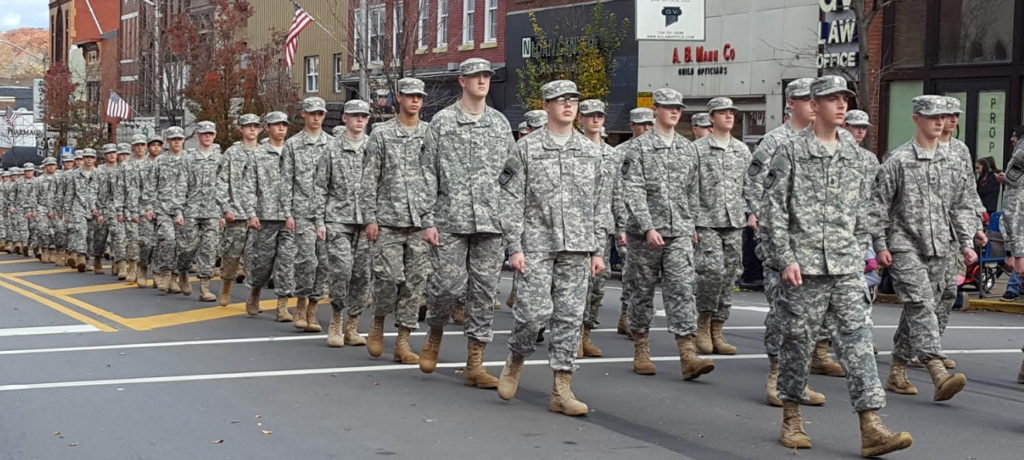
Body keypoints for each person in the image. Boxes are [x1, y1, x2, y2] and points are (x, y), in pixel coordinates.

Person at [765, 75, 911, 457]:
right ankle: (792, 416)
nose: (841, 105)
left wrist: (862, 249)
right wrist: (784, 258)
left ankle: (871, 426)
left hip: (846, 267)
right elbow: (773, 211)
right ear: (813, 107)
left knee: (860, 344)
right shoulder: (790, 153)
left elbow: (870, 212)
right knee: (798, 344)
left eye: (844, 98)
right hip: (804, 267)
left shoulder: (862, 160)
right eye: (832, 99)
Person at [495, 80, 610, 415]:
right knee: (532, 314)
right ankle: (516, 357)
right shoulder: (526, 149)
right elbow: (510, 199)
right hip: (536, 245)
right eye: (560, 100)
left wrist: (598, 250)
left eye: (573, 99)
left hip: (577, 245)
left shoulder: (591, 152)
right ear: (546, 105)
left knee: (570, 318)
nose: (568, 105)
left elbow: (601, 204)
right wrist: (514, 246)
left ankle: (562, 388)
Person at [418, 58, 515, 390]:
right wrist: (427, 220)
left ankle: (475, 361)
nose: (483, 81)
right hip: (450, 219)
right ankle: (434, 332)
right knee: (446, 286)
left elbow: (511, 175)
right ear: (462, 81)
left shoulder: (500, 124)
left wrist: (508, 214)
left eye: (487, 76)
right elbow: (426, 173)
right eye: (476, 76)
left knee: (485, 292)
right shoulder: (443, 123)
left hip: (491, 221)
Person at [873, 95, 976, 402]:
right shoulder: (898, 161)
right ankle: (936, 368)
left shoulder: (952, 161)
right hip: (905, 244)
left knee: (939, 300)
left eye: (944, 117)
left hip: (943, 245)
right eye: (933, 117)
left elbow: (961, 205)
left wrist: (967, 242)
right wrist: (880, 244)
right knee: (920, 302)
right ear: (916, 118)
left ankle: (898, 367)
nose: (940, 123)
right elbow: (877, 207)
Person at [745, 78, 832, 407]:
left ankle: (798, 380)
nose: (812, 104)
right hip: (780, 242)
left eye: (815, 99)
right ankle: (775, 376)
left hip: (816, 244)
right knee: (784, 313)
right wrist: (759, 216)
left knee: (811, 317)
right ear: (790, 104)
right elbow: (754, 182)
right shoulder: (774, 141)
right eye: (804, 99)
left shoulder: (824, 141)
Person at [620, 87, 715, 380]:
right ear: (656, 110)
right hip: (644, 235)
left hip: (679, 233)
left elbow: (694, 191)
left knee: (682, 290)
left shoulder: (688, 149)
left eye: (678, 107)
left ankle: (687, 354)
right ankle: (641, 348)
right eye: (669, 107)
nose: (675, 111)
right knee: (642, 291)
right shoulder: (638, 148)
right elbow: (632, 190)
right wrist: (647, 226)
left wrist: (693, 227)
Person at [359, 78, 433, 362]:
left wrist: (432, 220)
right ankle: (378, 321)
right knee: (388, 278)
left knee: (415, 283)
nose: (415, 101)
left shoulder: (430, 134)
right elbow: (369, 178)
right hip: (388, 219)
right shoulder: (381, 134)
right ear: (399, 98)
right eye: (410, 96)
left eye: (419, 97)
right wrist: (370, 218)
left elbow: (436, 177)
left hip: (419, 221)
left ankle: (403, 341)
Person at [692, 97, 750, 355]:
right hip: (706, 220)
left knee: (729, 275)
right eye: (723, 113)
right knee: (711, 272)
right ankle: (703, 323)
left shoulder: (742, 150)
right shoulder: (697, 150)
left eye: (731, 112)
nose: (729, 116)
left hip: (733, 221)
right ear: (711, 117)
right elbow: (689, 188)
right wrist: (691, 222)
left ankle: (718, 327)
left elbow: (750, 184)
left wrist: (751, 212)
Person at [935, 96, 987, 369]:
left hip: (955, 234)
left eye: (956, 115)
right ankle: (912, 350)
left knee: (947, 292)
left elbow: (969, 191)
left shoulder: (960, 150)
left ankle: (933, 345)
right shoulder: (919, 150)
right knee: (924, 297)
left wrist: (976, 225)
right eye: (948, 114)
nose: (953, 120)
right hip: (924, 234)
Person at [318, 100, 372, 347]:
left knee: (362, 274)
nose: (359, 120)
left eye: (364, 116)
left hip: (367, 221)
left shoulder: (373, 148)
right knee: (341, 270)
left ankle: (352, 324)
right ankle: (336, 320)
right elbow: (320, 187)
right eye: (355, 116)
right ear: (344, 119)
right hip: (338, 218)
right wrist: (320, 220)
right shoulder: (331, 149)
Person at [282, 97, 335, 324]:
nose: (316, 118)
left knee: (323, 262)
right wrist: (288, 213)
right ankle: (301, 303)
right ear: (304, 114)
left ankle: (313, 307)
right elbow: (286, 180)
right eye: (312, 113)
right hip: (301, 210)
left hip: (327, 213)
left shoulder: (332, 144)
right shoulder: (293, 144)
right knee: (306, 260)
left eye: (320, 114)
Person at [241, 111, 295, 318]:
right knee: (262, 263)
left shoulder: (293, 151)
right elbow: (248, 186)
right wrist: (250, 213)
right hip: (265, 216)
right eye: (276, 124)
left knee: (287, 261)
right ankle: (255, 290)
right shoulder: (257, 154)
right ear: (268, 128)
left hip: (290, 216)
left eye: (284, 124)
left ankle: (282, 305)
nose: (281, 128)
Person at [577, 98, 617, 358]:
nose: (595, 120)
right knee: (576, 283)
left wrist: (621, 228)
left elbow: (618, 193)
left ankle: (587, 331)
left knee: (598, 282)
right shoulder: (574, 149)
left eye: (599, 116)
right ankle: (573, 332)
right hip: (576, 226)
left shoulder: (613, 154)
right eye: (590, 115)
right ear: (581, 119)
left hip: (602, 226)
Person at [613, 107, 655, 336]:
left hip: (652, 222)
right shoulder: (621, 152)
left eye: (650, 124)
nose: (647, 129)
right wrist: (620, 225)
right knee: (631, 269)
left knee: (643, 273)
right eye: (643, 125)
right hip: (628, 221)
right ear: (632, 127)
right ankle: (626, 313)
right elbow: (619, 191)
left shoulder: (656, 150)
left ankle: (632, 314)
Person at [217, 115, 261, 306]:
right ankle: (226, 286)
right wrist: (225, 208)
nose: (252, 130)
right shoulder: (231, 154)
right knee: (231, 255)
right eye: (248, 126)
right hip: (236, 213)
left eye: (255, 126)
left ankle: (253, 297)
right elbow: (221, 182)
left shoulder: (265, 153)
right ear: (241, 129)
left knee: (257, 259)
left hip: (260, 214)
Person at [147, 126, 188, 293]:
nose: (176, 142)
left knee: (183, 245)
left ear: (183, 140)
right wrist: (149, 206)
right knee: (168, 241)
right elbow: (151, 185)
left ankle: (176, 277)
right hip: (163, 208)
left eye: (179, 139)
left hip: (185, 209)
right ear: (167, 142)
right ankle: (165, 273)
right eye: (173, 139)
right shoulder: (160, 161)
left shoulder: (190, 160)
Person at [136, 134, 164, 288]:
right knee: (146, 243)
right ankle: (142, 268)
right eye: (153, 145)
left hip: (162, 208)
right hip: (144, 208)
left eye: (159, 145)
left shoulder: (166, 163)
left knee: (160, 243)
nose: (156, 148)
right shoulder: (141, 166)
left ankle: (157, 273)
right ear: (148, 147)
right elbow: (136, 189)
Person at [66, 150, 100, 272]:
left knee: (91, 235)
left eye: (91, 157)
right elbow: (70, 193)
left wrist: (99, 209)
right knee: (81, 232)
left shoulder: (99, 174)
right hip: (78, 206)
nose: (89, 159)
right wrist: (67, 211)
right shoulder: (75, 174)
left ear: (95, 159)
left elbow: (103, 193)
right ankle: (80, 258)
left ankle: (88, 258)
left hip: (94, 208)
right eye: (86, 157)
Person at [94, 145, 123, 275]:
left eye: (114, 153)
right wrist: (96, 209)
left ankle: (117, 262)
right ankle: (97, 259)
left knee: (118, 236)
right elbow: (93, 190)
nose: (112, 155)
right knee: (101, 236)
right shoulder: (99, 170)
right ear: (104, 155)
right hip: (102, 206)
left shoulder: (122, 168)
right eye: (109, 153)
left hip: (116, 207)